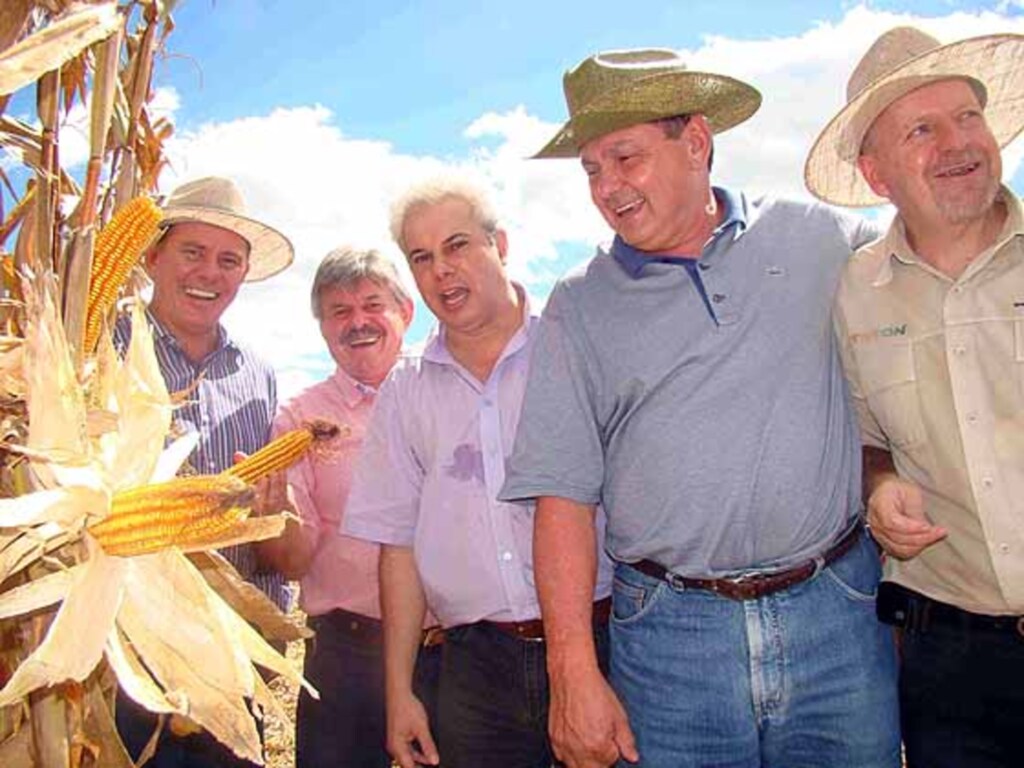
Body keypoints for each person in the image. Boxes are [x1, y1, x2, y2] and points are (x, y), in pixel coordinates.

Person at [500, 49, 900, 768]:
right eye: (591, 169)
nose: (606, 187)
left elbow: (923, 293)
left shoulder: (819, 240)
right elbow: (561, 492)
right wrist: (573, 672)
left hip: (836, 614)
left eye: (624, 157)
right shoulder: (579, 304)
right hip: (669, 640)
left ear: (696, 142)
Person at [805, 26, 1024, 768]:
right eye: (922, 130)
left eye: (967, 117)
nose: (959, 143)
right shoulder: (852, 293)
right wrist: (881, 484)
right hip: (947, 665)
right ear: (875, 175)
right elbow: (868, 439)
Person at [343, 177, 614, 768]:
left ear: (502, 244)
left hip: (605, 643)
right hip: (475, 669)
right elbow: (399, 550)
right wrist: (400, 693)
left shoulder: (573, 347)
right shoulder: (406, 389)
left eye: (458, 245)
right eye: (422, 257)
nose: (442, 270)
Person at [113, 175, 293, 767]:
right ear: (153, 254)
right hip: (126, 643)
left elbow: (270, 517)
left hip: (232, 638)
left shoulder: (258, 374)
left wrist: (270, 514)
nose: (210, 273)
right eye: (193, 252)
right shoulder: (101, 350)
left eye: (229, 261)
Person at [257, 245, 442, 768]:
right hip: (347, 657)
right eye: (340, 311)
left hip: (449, 653)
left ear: (405, 313)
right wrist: (274, 515)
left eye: (372, 305)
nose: (357, 322)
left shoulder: (448, 394)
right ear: (322, 328)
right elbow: (290, 562)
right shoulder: (300, 417)